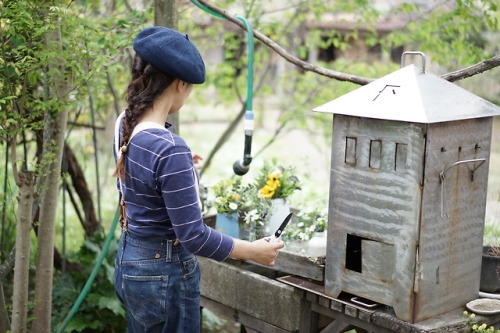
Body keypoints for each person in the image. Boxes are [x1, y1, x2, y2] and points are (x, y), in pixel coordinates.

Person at [113, 26, 284, 333]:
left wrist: (180, 169)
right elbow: (194, 236)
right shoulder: (169, 147)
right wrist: (254, 251)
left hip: (132, 258)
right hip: (165, 271)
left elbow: (138, 181)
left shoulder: (126, 123)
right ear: (180, 83)